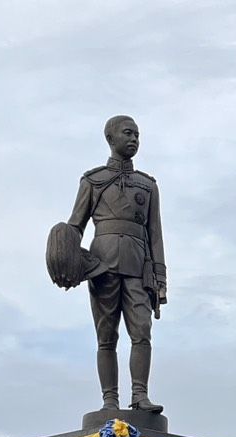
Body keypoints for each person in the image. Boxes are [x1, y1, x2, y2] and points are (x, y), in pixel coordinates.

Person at [67, 115, 167, 414]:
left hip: (138, 267)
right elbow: (75, 227)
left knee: (142, 331)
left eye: (137, 134)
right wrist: (67, 258)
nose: (134, 139)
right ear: (110, 139)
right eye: (128, 133)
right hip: (102, 267)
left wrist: (160, 278)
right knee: (106, 336)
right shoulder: (92, 181)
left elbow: (155, 234)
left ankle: (140, 395)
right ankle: (109, 399)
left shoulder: (147, 185)